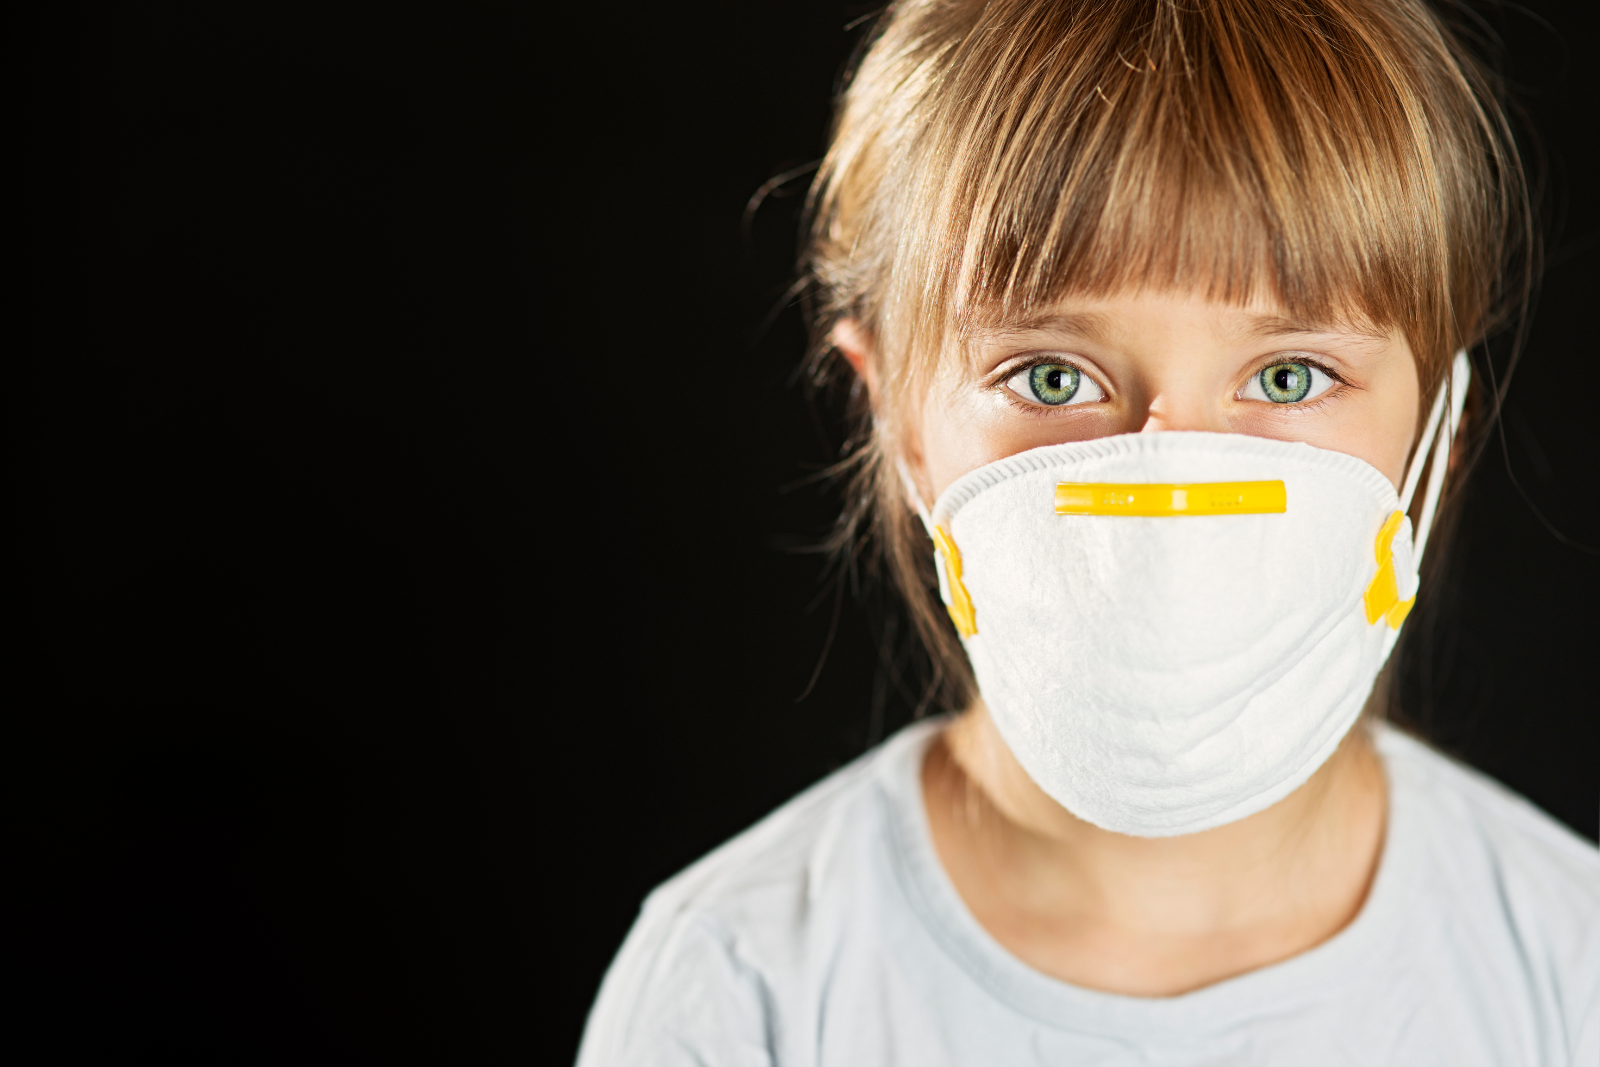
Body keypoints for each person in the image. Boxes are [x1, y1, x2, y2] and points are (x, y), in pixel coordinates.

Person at [577, 1, 1600, 1062]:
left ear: (1436, 427)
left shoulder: (1569, 973)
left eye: (1288, 376)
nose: (1172, 470)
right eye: (1053, 376)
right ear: (895, 419)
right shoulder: (737, 990)